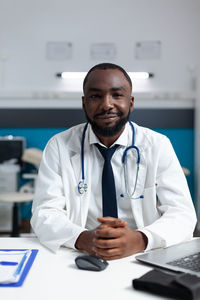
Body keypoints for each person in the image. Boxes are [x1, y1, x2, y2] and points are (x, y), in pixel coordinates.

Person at [31, 63, 197, 260]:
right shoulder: (59, 145)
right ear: (84, 103)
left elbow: (183, 214)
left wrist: (140, 239)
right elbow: (45, 212)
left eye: (117, 95)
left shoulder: (157, 145)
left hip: (143, 252)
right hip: (79, 252)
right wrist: (84, 238)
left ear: (131, 102)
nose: (107, 104)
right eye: (95, 96)